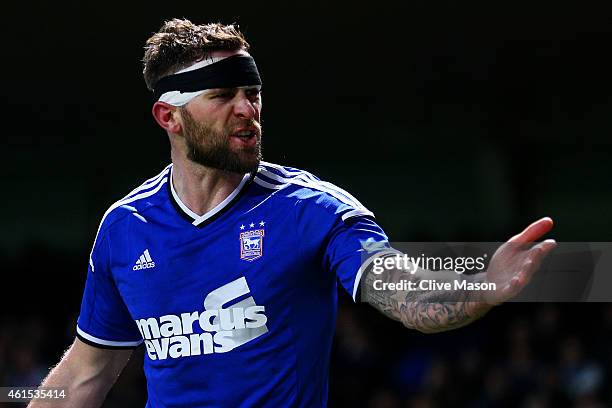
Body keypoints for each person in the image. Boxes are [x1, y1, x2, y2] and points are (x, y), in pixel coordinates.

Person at [29, 19, 556, 408]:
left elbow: (397, 286)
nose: (247, 110)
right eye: (224, 95)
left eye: (252, 93)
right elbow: (85, 374)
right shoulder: (126, 227)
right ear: (170, 116)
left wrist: (477, 286)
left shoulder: (309, 209)